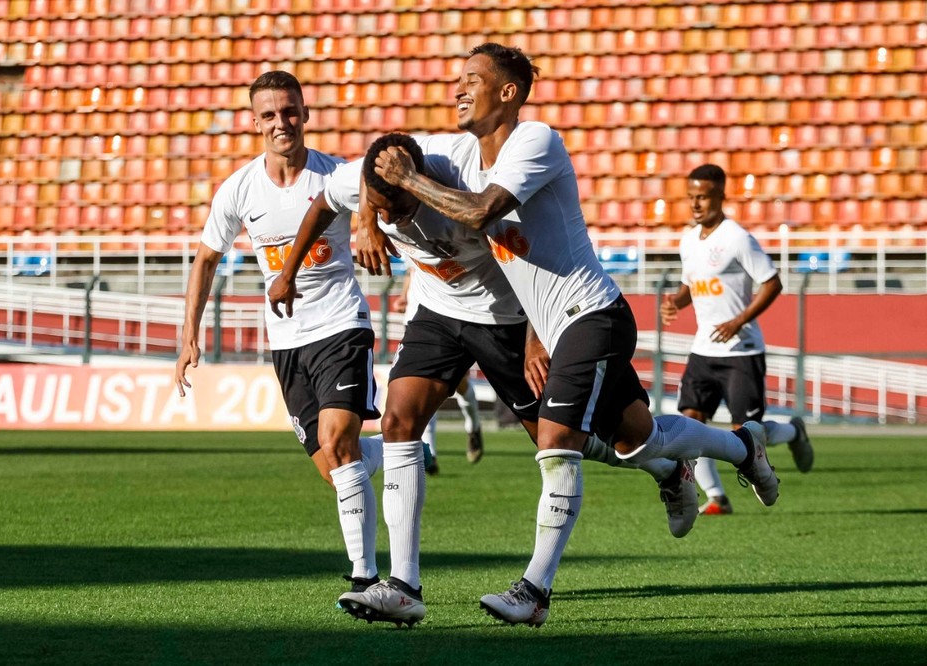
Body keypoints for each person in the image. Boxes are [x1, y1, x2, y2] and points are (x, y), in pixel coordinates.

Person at [351, 43, 780, 628]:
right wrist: (366, 212)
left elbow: (479, 212)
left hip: (591, 314)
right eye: (457, 79)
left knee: (557, 444)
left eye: (472, 79)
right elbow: (375, 162)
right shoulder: (453, 154)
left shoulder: (537, 140)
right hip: (543, 324)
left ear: (509, 93)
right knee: (636, 437)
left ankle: (534, 592)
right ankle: (741, 446)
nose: (458, 88)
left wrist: (410, 181)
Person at [269, 132, 698, 626]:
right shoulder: (370, 186)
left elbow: (536, 252)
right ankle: (404, 585)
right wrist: (298, 265)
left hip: (507, 318)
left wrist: (539, 333)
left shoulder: (467, 180)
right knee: (398, 420)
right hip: (437, 313)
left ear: (423, 184)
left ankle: (665, 468)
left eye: (397, 207)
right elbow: (327, 199)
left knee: (561, 440)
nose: (391, 219)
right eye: (380, 208)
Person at [174, 71, 385, 606]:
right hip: (286, 343)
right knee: (334, 465)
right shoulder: (240, 189)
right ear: (254, 122)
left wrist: (367, 223)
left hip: (340, 324)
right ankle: (401, 447)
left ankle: (364, 577)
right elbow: (205, 259)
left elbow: (373, 190)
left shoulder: (335, 175)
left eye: (289, 111)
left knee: (338, 443)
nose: (281, 123)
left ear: (305, 113)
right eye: (268, 115)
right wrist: (189, 336)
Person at [660, 164, 814, 516]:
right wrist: (675, 303)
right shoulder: (688, 240)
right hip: (703, 349)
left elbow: (772, 282)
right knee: (689, 427)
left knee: (748, 432)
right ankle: (717, 497)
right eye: (691, 198)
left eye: (702, 197)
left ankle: (793, 431)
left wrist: (738, 320)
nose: (696, 204)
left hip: (741, 350)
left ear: (720, 196)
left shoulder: (736, 238)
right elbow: (691, 286)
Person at [394, 261, 484, 473]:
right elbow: (411, 269)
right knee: (422, 385)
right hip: (417, 318)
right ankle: (430, 454)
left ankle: (473, 426)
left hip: (448, 311)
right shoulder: (409, 231)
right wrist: (404, 295)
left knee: (460, 384)